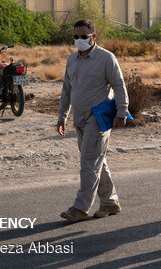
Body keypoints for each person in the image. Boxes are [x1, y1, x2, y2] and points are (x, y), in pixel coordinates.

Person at [57, 19, 129, 222]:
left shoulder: (106, 58)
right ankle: (110, 202)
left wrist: (122, 112)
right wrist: (62, 116)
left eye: (84, 37)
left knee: (88, 162)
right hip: (79, 119)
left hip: (98, 119)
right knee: (97, 161)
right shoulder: (72, 60)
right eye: (76, 37)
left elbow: (119, 85)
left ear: (93, 37)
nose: (79, 40)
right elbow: (66, 90)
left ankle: (80, 208)